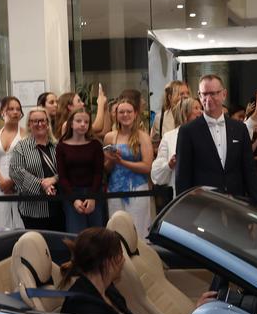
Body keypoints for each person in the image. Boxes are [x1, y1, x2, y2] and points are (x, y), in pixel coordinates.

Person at [57, 227, 217, 314]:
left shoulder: (109, 291)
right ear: (108, 262)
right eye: (120, 256)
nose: (123, 261)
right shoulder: (84, 307)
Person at [175, 74, 257, 203]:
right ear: (199, 96)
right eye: (204, 94)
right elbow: (182, 177)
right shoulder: (188, 131)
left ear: (224, 94)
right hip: (204, 206)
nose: (209, 99)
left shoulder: (239, 129)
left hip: (236, 204)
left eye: (214, 93)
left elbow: (249, 170)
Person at [104, 99, 154, 238]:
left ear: (135, 113)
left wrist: (122, 162)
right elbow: (106, 169)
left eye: (129, 112)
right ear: (116, 115)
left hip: (137, 188)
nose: (125, 115)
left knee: (137, 228)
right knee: (116, 228)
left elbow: (147, 166)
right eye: (121, 112)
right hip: (114, 187)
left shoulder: (142, 137)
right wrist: (112, 161)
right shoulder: (109, 137)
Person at [10, 107, 63, 232]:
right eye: (35, 121)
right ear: (29, 124)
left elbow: (67, 169)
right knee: (36, 244)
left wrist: (54, 180)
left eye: (42, 121)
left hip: (59, 205)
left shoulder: (58, 146)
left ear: (47, 123)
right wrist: (42, 185)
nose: (39, 124)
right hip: (33, 209)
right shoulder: (21, 147)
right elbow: (16, 171)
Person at [56, 107, 106, 232]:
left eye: (86, 122)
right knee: (76, 234)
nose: (83, 124)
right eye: (78, 121)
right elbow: (62, 176)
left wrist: (92, 197)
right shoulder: (61, 146)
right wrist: (74, 199)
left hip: (93, 192)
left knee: (96, 234)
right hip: (71, 193)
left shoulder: (95, 145)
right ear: (71, 124)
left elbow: (98, 173)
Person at [0, 96, 26, 230]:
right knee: (0, 223)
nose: (15, 112)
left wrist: (12, 181)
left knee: (20, 221)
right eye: (10, 109)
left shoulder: (27, 135)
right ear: (2, 111)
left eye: (18, 109)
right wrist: (2, 182)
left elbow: (29, 163)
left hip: (20, 182)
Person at [152, 97, 204, 198]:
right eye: (196, 108)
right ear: (184, 112)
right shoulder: (169, 137)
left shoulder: (206, 134)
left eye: (201, 108)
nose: (201, 112)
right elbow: (156, 175)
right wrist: (169, 165)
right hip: (180, 194)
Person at [151, 80, 190, 154]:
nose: (186, 96)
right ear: (170, 97)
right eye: (181, 94)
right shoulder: (160, 118)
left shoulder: (195, 115)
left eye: (187, 93)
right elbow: (154, 145)